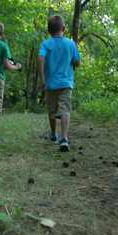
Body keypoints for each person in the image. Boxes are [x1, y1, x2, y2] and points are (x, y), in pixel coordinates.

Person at [38, 15, 81, 152]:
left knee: (51, 110)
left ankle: (53, 134)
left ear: (49, 30)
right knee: (65, 109)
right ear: (64, 28)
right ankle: (64, 138)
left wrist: (43, 78)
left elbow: (40, 58)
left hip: (50, 84)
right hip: (66, 83)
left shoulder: (46, 44)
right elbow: (77, 62)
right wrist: (72, 61)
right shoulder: (71, 44)